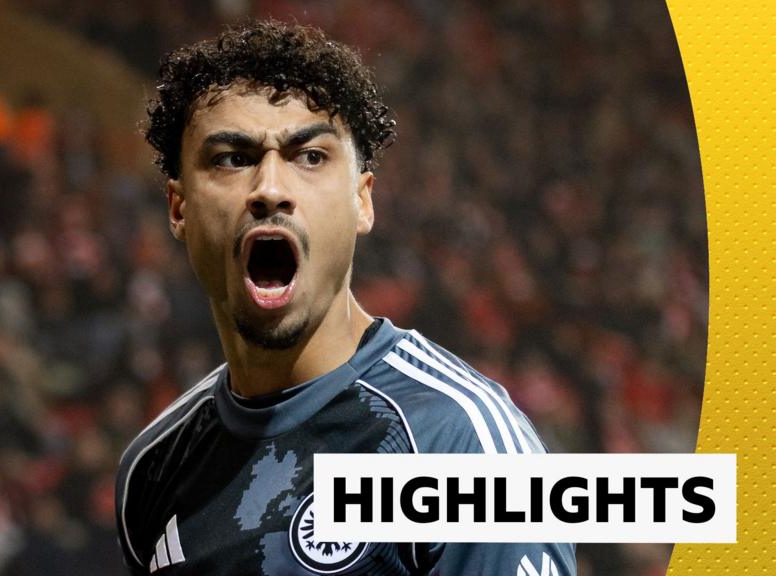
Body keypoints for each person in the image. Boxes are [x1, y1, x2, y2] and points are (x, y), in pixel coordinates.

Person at [115, 20, 576, 575]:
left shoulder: (456, 442)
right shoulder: (153, 469)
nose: (270, 189)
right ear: (178, 208)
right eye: (233, 158)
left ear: (363, 201)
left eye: (310, 156)